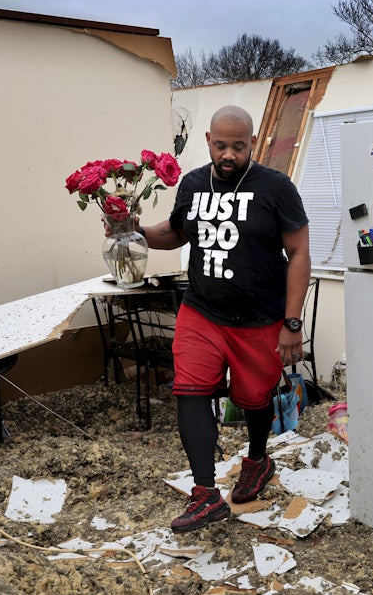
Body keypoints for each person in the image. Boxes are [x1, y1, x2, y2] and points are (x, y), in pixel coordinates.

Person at [132, 105, 310, 532]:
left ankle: (257, 459)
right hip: (203, 312)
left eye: (238, 146)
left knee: (252, 399)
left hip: (259, 320)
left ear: (252, 143)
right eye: (221, 145)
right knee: (189, 390)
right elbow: (177, 232)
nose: (228, 154)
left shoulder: (276, 188)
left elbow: (299, 251)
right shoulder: (193, 184)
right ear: (209, 141)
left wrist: (291, 322)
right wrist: (133, 230)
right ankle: (205, 495)